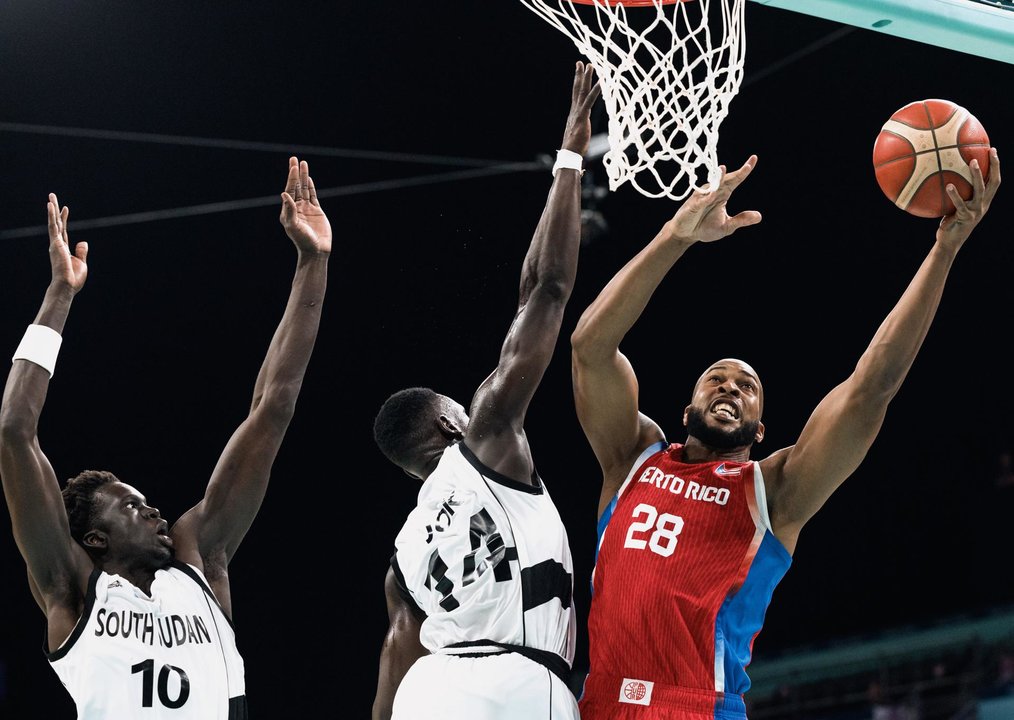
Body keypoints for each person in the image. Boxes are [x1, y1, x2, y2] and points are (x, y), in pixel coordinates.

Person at [569, 149, 1001, 719]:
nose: (729, 388)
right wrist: (676, 236)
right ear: (685, 409)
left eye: (746, 386)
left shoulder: (774, 489)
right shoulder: (633, 459)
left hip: (698, 709)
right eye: (715, 380)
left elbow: (871, 388)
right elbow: (589, 348)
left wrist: (945, 250)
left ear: (761, 427)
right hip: (595, 705)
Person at [0, 156, 331, 719]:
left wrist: (312, 263)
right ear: (95, 540)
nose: (154, 510)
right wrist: (60, 294)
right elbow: (14, 432)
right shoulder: (73, 589)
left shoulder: (198, 561)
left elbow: (271, 410)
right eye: (131, 507)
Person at [370, 61, 601, 720]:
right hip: (518, 684)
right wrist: (570, 159)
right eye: (460, 409)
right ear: (449, 425)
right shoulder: (486, 442)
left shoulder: (405, 551)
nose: (474, 410)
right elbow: (547, 289)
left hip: (429, 694)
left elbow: (395, 659)